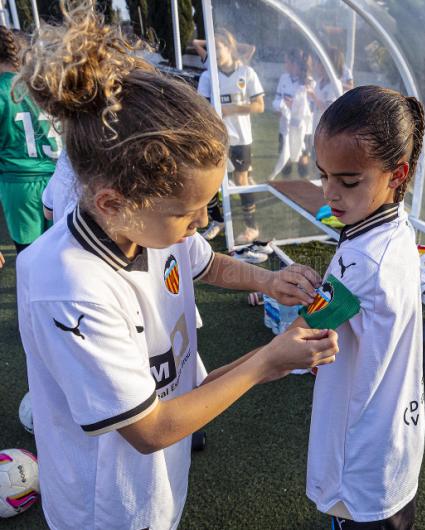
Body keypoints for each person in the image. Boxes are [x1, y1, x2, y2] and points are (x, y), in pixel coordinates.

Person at [15, 4, 338, 529]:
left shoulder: (151, 229)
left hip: (158, 486)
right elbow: (150, 429)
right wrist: (265, 363)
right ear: (112, 202)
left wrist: (270, 281)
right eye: (188, 212)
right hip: (106, 510)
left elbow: (204, 264)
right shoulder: (68, 285)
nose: (204, 221)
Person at [296, 86, 425, 529]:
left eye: (348, 181)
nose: (330, 194)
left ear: (397, 174)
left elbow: (306, 334)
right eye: (323, 175)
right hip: (393, 441)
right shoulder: (392, 227)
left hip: (360, 456)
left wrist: (297, 294)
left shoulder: (365, 259)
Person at [196, 29, 265, 244]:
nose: (214, 52)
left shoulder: (246, 72)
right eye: (211, 48)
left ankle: (251, 227)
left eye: (218, 47)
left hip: (241, 138)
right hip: (215, 138)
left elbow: (259, 105)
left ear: (229, 47)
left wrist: (230, 109)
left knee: (241, 180)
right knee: (212, 179)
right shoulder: (208, 75)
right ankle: (218, 221)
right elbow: (201, 107)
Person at [0, 26, 60, 254]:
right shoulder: (48, 84)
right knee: (68, 259)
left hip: (21, 189)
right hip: (61, 181)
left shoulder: (2, 90)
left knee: (32, 261)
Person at [271, 48, 313, 180]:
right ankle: (286, 187)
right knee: (285, 157)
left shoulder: (309, 82)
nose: (285, 65)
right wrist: (279, 107)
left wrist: (293, 105)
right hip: (285, 127)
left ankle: (304, 186)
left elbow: (311, 108)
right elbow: (277, 99)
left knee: (302, 159)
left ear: (295, 64)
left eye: (287, 62)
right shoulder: (284, 78)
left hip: (303, 129)